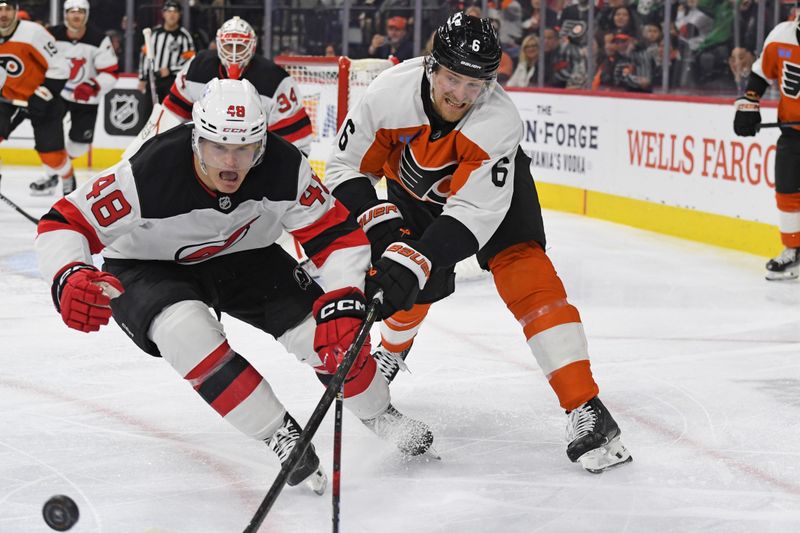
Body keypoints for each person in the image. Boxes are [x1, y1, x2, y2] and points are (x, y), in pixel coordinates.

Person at [34, 79, 435, 496]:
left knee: (325, 333)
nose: (231, 163)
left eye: (244, 149)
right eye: (217, 148)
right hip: (147, 266)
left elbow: (336, 236)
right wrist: (69, 274)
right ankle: (277, 433)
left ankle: (378, 413)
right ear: (196, 140)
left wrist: (342, 296)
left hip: (247, 255)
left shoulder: (284, 167)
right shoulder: (148, 171)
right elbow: (63, 222)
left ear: (261, 145)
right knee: (186, 334)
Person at [325, 12, 633, 473]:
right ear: (432, 66)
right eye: (452, 78)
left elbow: (473, 214)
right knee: (406, 283)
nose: (460, 94)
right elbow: (344, 168)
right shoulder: (388, 94)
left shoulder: (497, 121)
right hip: (410, 191)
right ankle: (392, 351)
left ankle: (587, 408)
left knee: (525, 273)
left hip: (491, 197)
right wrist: (384, 229)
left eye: (475, 83)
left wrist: (422, 255)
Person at [162, 16, 312, 154]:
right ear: (219, 44)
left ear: (252, 46)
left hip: (254, 159)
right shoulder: (196, 68)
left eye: (240, 46)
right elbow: (171, 118)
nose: (233, 53)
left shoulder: (276, 80)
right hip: (205, 156)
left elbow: (295, 143)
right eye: (228, 46)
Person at [733, 18, 800, 280]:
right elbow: (761, 73)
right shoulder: (782, 36)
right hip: (792, 133)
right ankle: (793, 250)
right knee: (787, 190)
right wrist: (749, 104)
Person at [0, 1, 73, 196]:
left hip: (42, 97)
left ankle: (67, 178)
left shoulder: (33, 33)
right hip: (7, 97)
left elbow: (61, 66)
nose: (3, 14)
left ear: (16, 12)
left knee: (52, 157)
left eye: (8, 9)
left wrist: (42, 95)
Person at [50, 0, 119, 168]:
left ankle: (58, 168)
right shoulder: (51, 35)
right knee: (49, 135)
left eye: (80, 11)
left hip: (86, 98)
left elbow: (111, 73)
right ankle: (52, 174)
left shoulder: (99, 39)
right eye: (72, 11)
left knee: (80, 145)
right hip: (58, 94)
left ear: (86, 14)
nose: (76, 15)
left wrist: (93, 85)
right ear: (65, 14)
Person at [137, 0, 194, 108]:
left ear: (179, 14)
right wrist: (143, 78)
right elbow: (145, 55)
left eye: (175, 11)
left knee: (168, 115)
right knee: (149, 115)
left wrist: (171, 70)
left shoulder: (184, 36)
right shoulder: (154, 33)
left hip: (172, 82)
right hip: (153, 80)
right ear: (163, 14)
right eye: (169, 11)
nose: (172, 14)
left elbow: (189, 61)